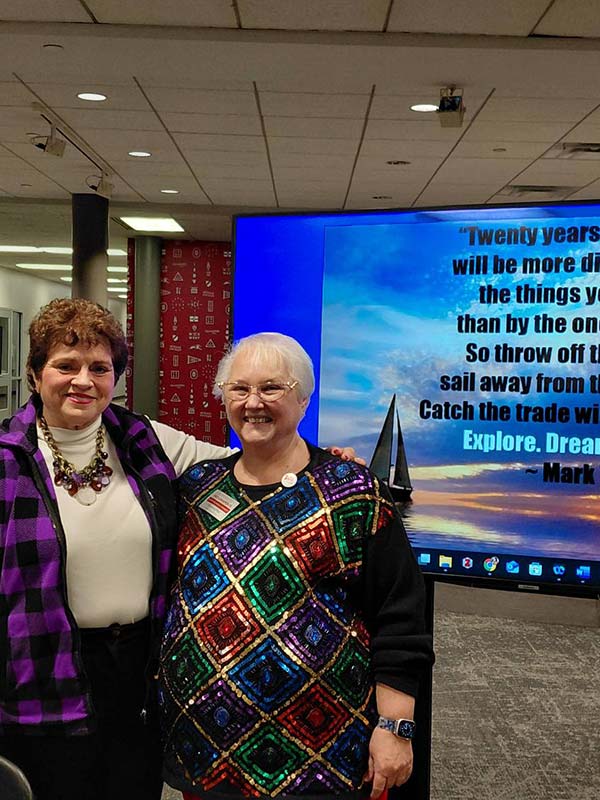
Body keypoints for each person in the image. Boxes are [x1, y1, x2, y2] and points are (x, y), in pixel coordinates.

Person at [0, 299, 360, 800]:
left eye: (99, 368)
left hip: (140, 672)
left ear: (115, 378)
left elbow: (247, 460)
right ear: (36, 375)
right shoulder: (7, 461)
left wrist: (326, 462)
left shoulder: (144, 440)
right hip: (44, 671)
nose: (83, 380)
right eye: (66, 365)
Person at [158, 332, 434, 800]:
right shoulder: (196, 488)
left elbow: (400, 619)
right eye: (239, 388)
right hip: (206, 752)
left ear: (304, 399)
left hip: (321, 758)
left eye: (272, 388)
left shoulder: (353, 492)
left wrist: (395, 728)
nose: (253, 402)